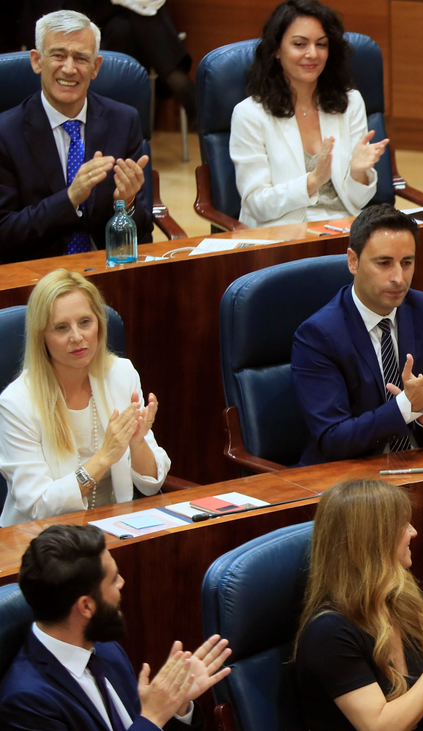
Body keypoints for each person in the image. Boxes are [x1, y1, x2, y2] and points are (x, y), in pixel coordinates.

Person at [296, 479, 423, 731]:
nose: (413, 531)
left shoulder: (401, 603)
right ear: (372, 539)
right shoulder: (328, 631)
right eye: (402, 525)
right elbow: (381, 727)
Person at [292, 204, 423, 466]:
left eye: (407, 263)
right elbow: (333, 438)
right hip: (352, 481)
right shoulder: (319, 335)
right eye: (384, 263)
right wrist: (406, 407)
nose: (399, 278)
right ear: (353, 261)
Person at [0, 524, 231, 730]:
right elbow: (146, 724)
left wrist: (176, 707)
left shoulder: (105, 648)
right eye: (113, 579)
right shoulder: (27, 703)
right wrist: (152, 717)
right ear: (86, 606)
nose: (122, 583)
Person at [0, 269, 170, 527]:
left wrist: (137, 444)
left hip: (116, 528)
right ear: (41, 336)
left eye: (85, 322)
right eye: (61, 327)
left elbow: (151, 484)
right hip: (44, 543)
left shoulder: (121, 375)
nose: (77, 337)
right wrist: (104, 456)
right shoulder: (17, 403)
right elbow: (38, 506)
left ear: (99, 324)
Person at [0, 10, 152, 264]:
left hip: (107, 269)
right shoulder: (5, 133)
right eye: (58, 55)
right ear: (37, 61)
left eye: (81, 58)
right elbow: (4, 232)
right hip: (38, 278)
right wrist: (69, 198)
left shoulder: (124, 121)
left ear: (95, 67)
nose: (69, 69)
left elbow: (144, 232)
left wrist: (127, 203)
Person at [229, 0, 388, 228]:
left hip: (345, 229)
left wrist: (357, 173)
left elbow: (358, 201)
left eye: (321, 44)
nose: (312, 54)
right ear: (276, 49)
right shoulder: (250, 114)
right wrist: (312, 181)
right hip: (282, 233)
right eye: (300, 44)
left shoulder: (350, 102)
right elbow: (256, 203)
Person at [68, 0, 197, 120]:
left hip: (118, 24)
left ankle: (121, 121)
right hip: (81, 15)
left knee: (123, 29)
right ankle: (178, 81)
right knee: (132, 17)